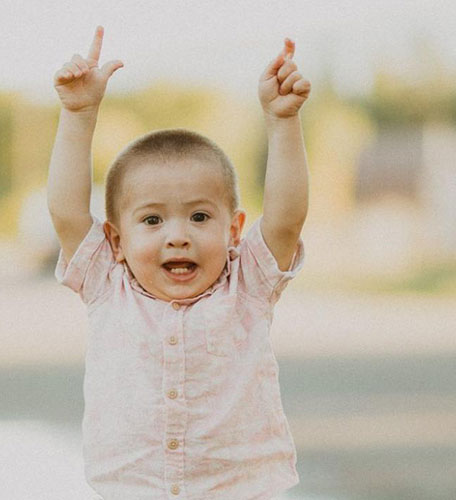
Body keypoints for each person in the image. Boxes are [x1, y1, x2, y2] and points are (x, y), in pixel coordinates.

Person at [47, 26, 311, 498]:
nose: (178, 237)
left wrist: (282, 121)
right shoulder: (107, 284)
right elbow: (66, 211)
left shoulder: (247, 283)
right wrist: (79, 113)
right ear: (117, 239)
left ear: (233, 230)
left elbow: (287, 219)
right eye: (152, 220)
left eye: (200, 216)